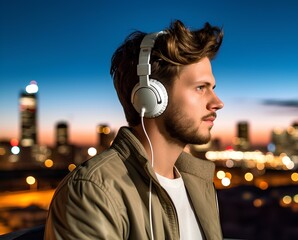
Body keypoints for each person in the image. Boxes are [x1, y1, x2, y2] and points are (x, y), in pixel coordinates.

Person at [44, 19, 224, 240]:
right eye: (200, 88)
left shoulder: (199, 183)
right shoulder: (93, 192)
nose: (217, 102)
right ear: (151, 96)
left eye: (212, 88)